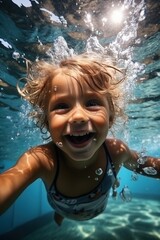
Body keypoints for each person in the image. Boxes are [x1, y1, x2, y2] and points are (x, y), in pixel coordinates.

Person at [0, 53, 159, 226]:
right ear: (47, 122)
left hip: (100, 206)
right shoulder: (42, 160)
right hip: (62, 209)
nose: (78, 116)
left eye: (92, 103)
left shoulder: (116, 151)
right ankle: (59, 214)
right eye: (61, 106)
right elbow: (9, 181)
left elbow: (146, 164)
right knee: (60, 214)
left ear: (110, 117)